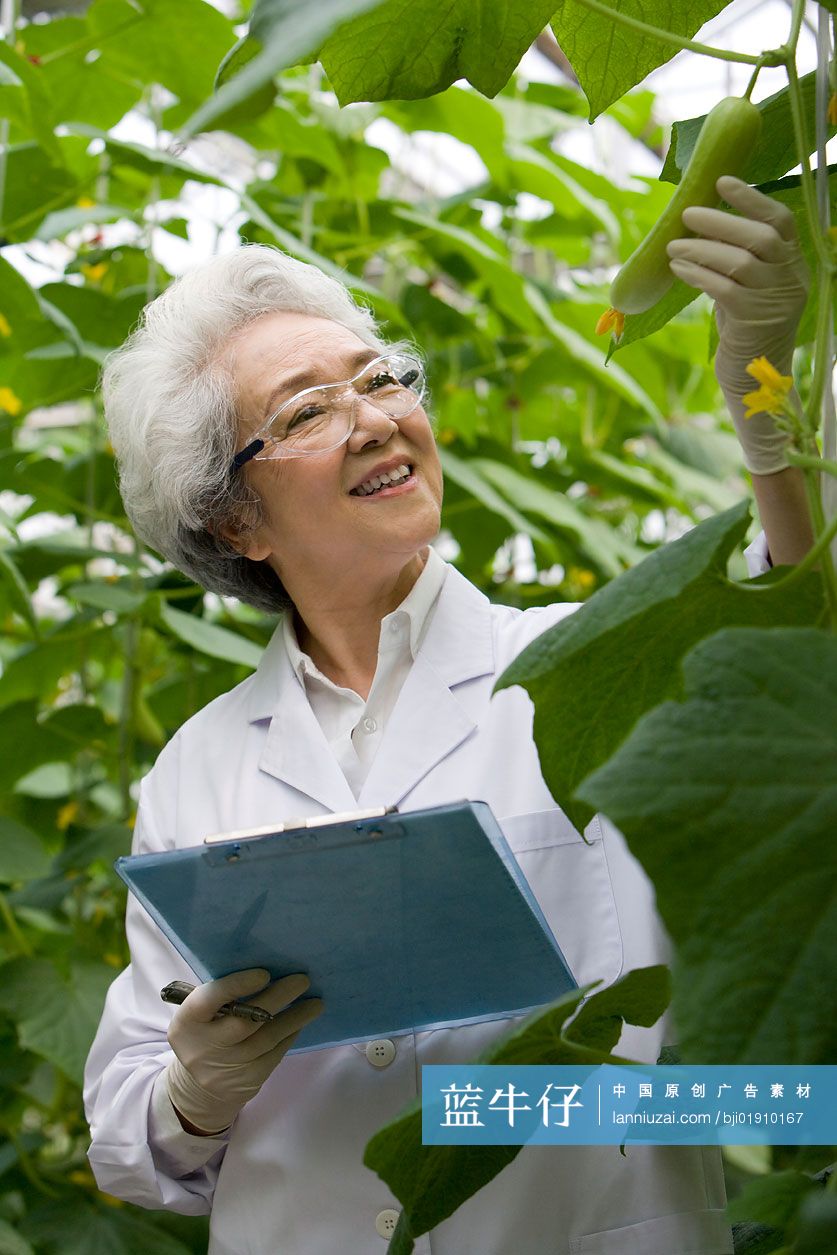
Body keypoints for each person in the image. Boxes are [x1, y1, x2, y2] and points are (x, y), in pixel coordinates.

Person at [84, 175, 811, 1255]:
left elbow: (802, 630)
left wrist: (769, 391)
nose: (377, 418)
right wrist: (194, 1089)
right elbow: (129, 1150)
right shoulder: (198, 772)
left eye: (381, 379)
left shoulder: (598, 656)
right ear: (236, 522)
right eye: (309, 411)